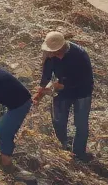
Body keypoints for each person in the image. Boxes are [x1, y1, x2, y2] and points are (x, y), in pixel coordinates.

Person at [33, 31, 94, 161]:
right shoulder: (50, 54)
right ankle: (63, 146)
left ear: (63, 47)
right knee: (58, 119)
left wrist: (58, 86)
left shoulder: (79, 55)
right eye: (52, 52)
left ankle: (79, 152)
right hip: (62, 89)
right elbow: (46, 76)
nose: (55, 55)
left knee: (81, 123)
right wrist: (39, 95)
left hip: (82, 90)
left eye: (57, 52)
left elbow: (82, 79)